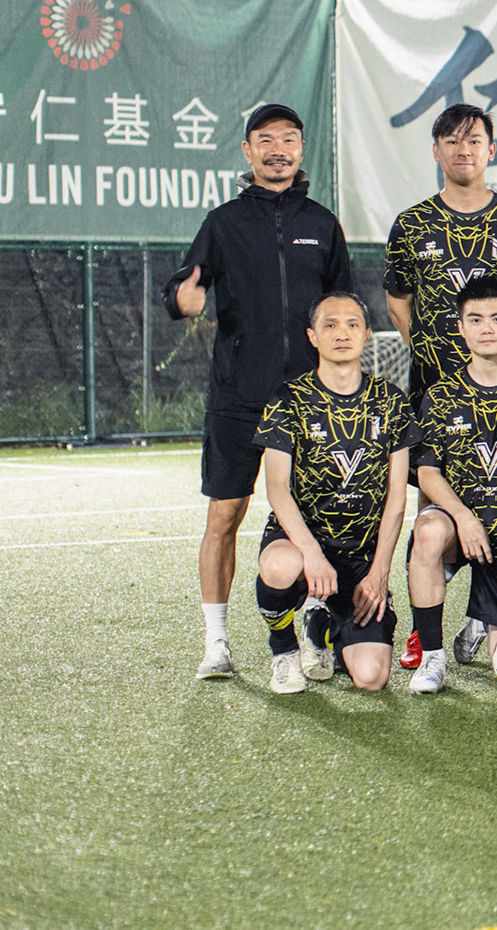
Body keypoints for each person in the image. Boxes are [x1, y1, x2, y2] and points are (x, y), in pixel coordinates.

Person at [163, 103, 354, 682]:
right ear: (247, 152)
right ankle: (216, 641)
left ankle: (315, 630)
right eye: (265, 139)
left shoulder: (322, 223)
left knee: (317, 520)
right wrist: (183, 300)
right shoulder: (223, 223)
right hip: (238, 399)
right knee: (224, 516)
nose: (278, 149)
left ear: (302, 149)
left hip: (309, 404)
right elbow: (181, 288)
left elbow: (343, 308)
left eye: (289, 139)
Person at [252, 292, 420, 694]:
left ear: (366, 336)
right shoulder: (288, 399)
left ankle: (322, 623)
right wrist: (312, 556)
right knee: (279, 568)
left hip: (360, 558)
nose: (341, 333)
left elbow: (397, 499)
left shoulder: (390, 401)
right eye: (329, 325)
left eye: (351, 325)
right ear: (312, 336)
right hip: (302, 545)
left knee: (372, 678)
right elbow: (276, 489)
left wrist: (379, 573)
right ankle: (284, 650)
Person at [402, 276, 497, 694]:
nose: (486, 327)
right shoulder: (442, 394)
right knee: (429, 531)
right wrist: (463, 516)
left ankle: (478, 621)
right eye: (475, 319)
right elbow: (428, 472)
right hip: (458, 527)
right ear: (460, 326)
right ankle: (432, 658)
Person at [383, 103, 497, 398]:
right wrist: (428, 353)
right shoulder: (412, 223)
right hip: (430, 385)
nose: (464, 150)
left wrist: (496, 356)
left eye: (474, 141)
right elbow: (397, 305)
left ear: (491, 150)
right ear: (436, 151)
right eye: (452, 141)